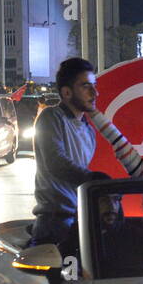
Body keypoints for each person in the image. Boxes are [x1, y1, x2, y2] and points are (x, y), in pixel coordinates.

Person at [29, 57, 101, 254]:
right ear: (66, 92)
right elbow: (56, 162)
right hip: (53, 224)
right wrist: (93, 179)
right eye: (86, 86)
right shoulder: (51, 118)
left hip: (78, 220)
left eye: (94, 86)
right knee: (62, 283)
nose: (95, 93)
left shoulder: (89, 130)